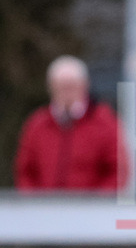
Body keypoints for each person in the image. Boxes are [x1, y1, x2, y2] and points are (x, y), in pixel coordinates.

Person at [14, 55, 129, 192]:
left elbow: (117, 171)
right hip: (44, 208)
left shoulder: (105, 122)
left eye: (71, 86)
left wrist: (97, 205)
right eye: (61, 86)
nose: (66, 92)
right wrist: (34, 203)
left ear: (84, 85)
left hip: (91, 209)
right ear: (51, 87)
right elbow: (25, 170)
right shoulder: (37, 124)